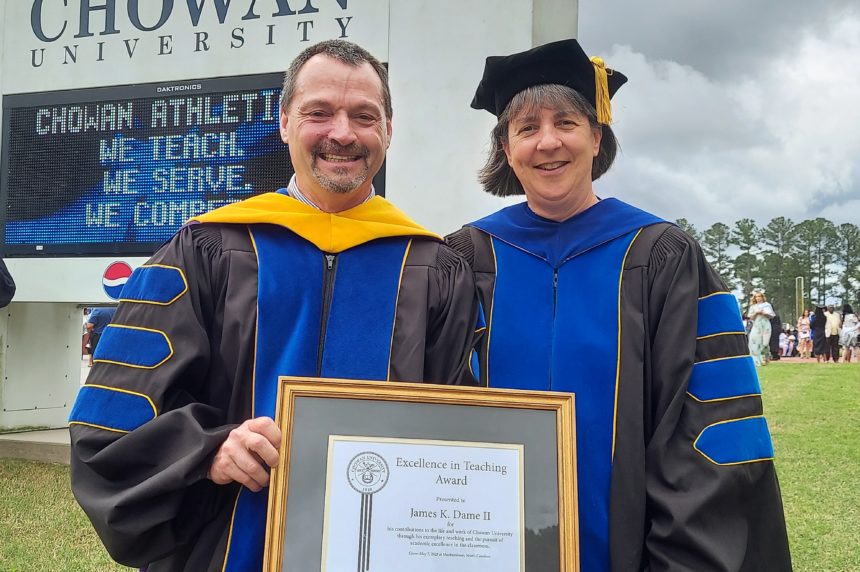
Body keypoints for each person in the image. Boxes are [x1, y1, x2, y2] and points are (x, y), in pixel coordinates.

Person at [68, 40, 477, 571]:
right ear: (285, 122)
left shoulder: (435, 269)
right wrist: (208, 451)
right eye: (319, 112)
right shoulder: (207, 250)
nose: (343, 133)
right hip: (227, 545)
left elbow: (460, 431)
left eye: (364, 116)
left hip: (387, 548)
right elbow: (116, 420)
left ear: (389, 131)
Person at [446, 39, 790, 572]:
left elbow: (706, 428)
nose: (548, 142)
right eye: (527, 128)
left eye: (566, 122)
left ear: (596, 135)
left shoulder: (661, 255)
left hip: (636, 549)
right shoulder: (464, 258)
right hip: (483, 544)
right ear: (506, 148)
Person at [747, 290, 776, 366]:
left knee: (765, 343)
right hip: (756, 325)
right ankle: (756, 360)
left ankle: (765, 357)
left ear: (762, 297)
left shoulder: (767, 305)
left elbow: (772, 315)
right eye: (756, 297)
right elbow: (750, 318)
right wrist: (756, 313)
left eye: (759, 296)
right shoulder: (753, 307)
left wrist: (764, 313)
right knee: (755, 342)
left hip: (766, 325)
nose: (758, 298)